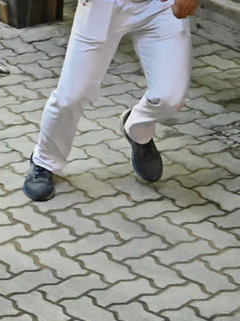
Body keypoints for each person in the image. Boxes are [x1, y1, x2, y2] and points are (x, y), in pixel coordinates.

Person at [22, 0, 199, 201]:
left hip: (160, 5)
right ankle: (44, 161)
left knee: (171, 97)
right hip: (103, 5)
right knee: (71, 96)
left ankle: (137, 129)